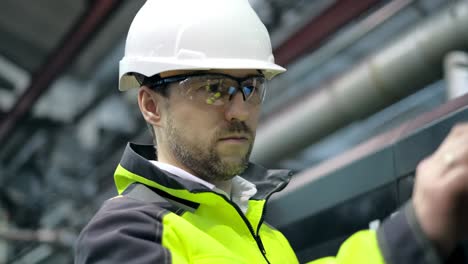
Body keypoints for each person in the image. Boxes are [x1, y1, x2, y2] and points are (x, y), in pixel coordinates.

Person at [75, 0, 468, 263]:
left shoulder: (266, 235)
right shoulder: (127, 235)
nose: (240, 110)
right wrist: (409, 236)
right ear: (150, 105)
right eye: (213, 88)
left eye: (251, 87)